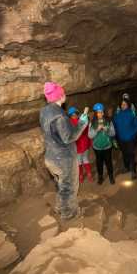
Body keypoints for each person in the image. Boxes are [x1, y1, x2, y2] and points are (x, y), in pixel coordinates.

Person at [40, 82, 89, 220]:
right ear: (60, 96)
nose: (65, 94)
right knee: (69, 187)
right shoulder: (60, 116)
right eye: (63, 92)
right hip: (63, 159)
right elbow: (69, 137)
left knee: (61, 185)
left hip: (51, 156)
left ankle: (60, 207)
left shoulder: (44, 111)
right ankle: (68, 214)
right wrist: (82, 123)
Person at [113, 99, 137, 179]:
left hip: (130, 139)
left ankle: (133, 171)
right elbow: (114, 125)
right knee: (124, 154)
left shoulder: (132, 113)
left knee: (131, 154)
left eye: (125, 104)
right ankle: (127, 167)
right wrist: (116, 136)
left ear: (128, 105)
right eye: (122, 104)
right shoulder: (117, 115)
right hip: (121, 139)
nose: (123, 106)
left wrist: (132, 133)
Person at [88, 103, 116, 185]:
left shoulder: (108, 121)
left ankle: (111, 176)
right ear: (95, 113)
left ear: (103, 112)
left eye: (101, 112)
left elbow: (113, 133)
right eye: (98, 112)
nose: (100, 114)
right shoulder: (92, 123)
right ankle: (100, 177)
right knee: (99, 163)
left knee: (108, 162)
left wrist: (107, 130)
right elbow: (89, 135)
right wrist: (96, 130)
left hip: (107, 146)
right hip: (97, 147)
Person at [68, 107, 93, 183]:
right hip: (80, 145)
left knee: (82, 160)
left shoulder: (70, 123)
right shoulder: (81, 121)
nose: (74, 115)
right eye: (73, 115)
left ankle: (85, 175)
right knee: (82, 160)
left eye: (75, 114)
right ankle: (84, 175)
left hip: (80, 145)